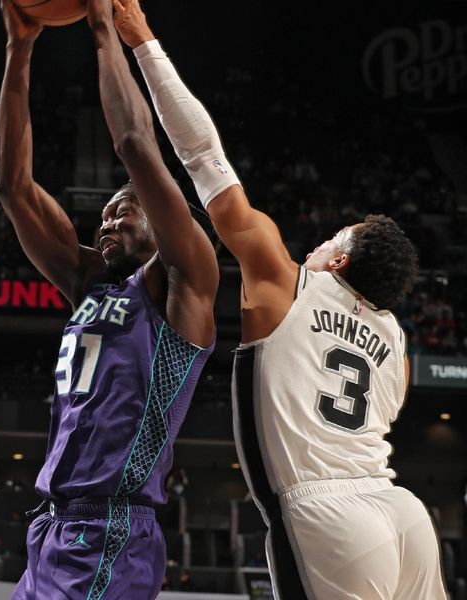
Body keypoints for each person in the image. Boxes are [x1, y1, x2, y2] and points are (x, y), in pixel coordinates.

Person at [111, 1, 449, 598]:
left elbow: (201, 155)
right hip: (401, 511)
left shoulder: (283, 277)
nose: (320, 240)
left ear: (340, 259)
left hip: (330, 515)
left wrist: (143, 42)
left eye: (334, 237)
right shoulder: (394, 341)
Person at [0, 0, 219, 598]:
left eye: (124, 209)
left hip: (111, 531)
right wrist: (20, 48)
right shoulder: (88, 284)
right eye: (103, 215)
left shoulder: (184, 283)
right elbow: (11, 188)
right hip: (50, 527)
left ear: (171, 222)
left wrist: (100, 24)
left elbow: (134, 143)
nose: (107, 221)